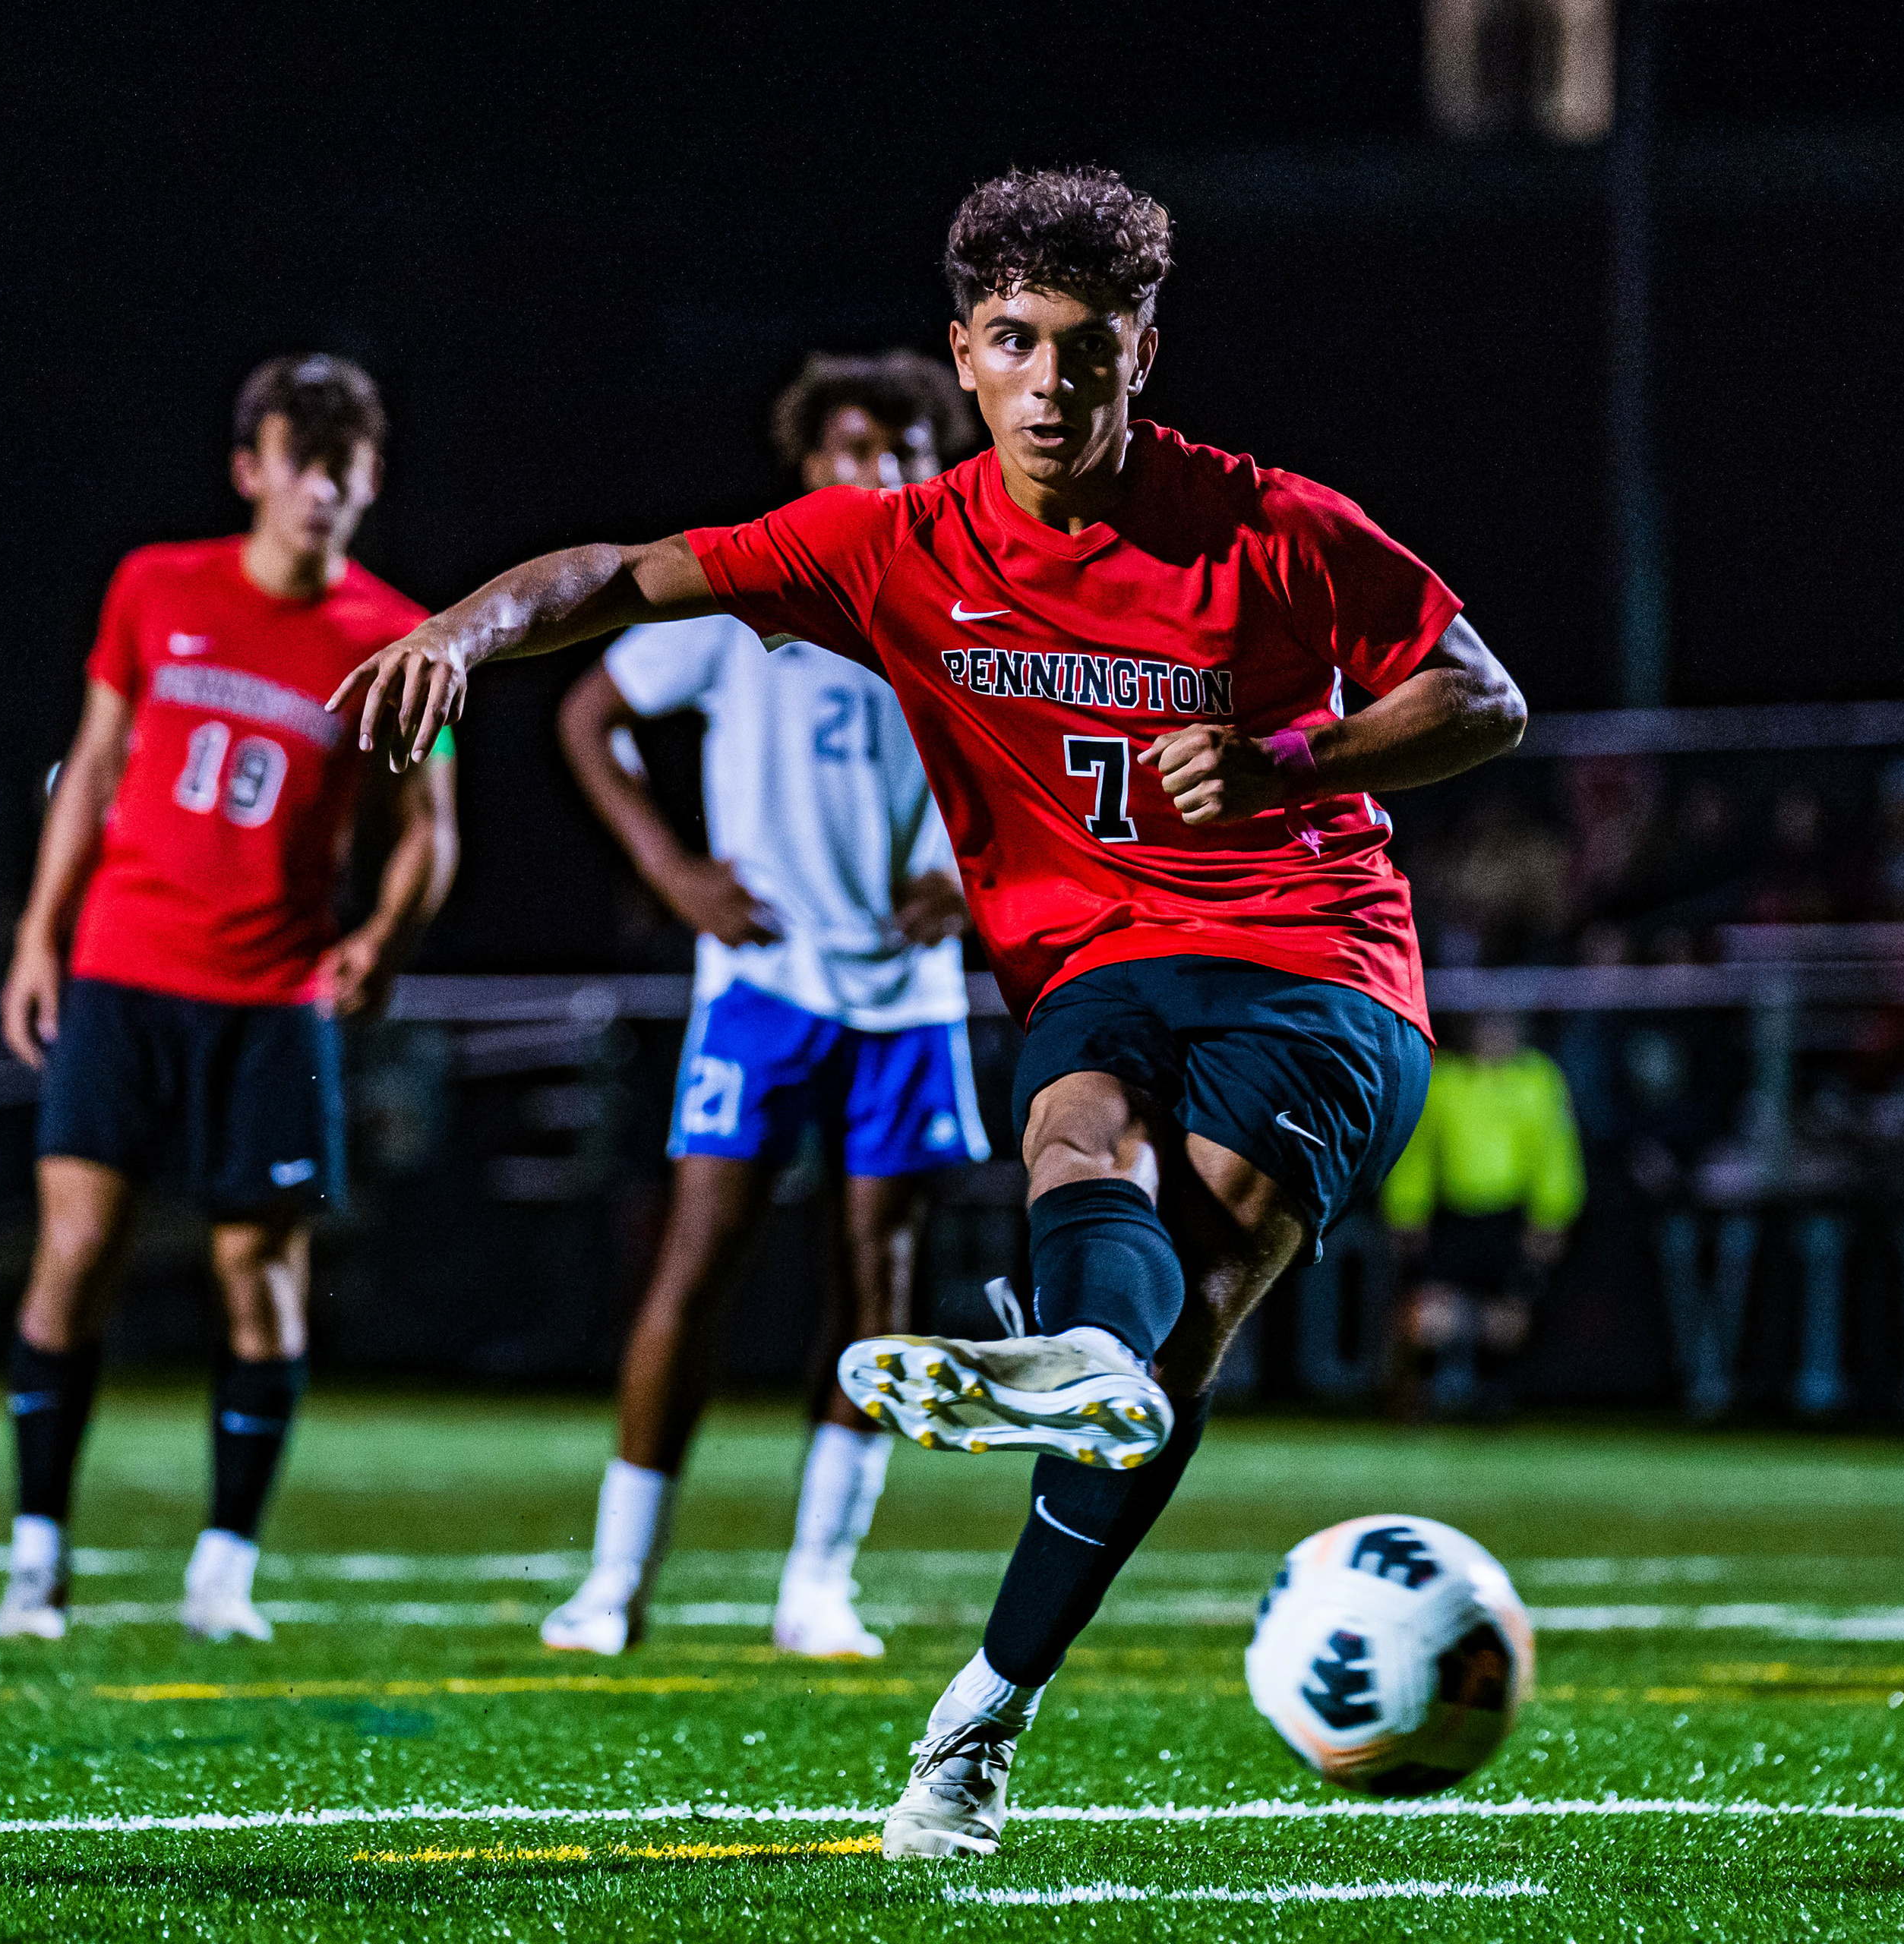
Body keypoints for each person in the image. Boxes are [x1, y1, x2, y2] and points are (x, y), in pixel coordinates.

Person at [333, 165, 1525, 1857]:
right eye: (1017, 341)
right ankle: (1068, 1387)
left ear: (1144, 352)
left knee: (1188, 1303)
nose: (1054, 380)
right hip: (1098, 959)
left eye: (1091, 346)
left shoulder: (1272, 524)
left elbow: (1484, 696)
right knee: (1076, 1145)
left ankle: (984, 1703)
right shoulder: (897, 545)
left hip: (1312, 952)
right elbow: (623, 576)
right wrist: (458, 631)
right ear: (964, 355)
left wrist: (1291, 755)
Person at [0, 355, 458, 1644]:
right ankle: (37, 1557)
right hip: (122, 971)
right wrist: (36, 937)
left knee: (259, 1275)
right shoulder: (154, 586)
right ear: (251, 470)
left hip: (272, 997)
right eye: (301, 462)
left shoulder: (396, 637)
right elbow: (93, 767)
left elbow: (430, 827)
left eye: (344, 467)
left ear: (371, 480)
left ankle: (224, 1569)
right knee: (74, 1252)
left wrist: (388, 935)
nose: (322, 489)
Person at [542, 350, 985, 1662]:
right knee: (698, 1261)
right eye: (850, 448)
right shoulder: (749, 594)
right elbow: (590, 715)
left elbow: (1046, 772)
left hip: (908, 998)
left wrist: (976, 883)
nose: (877, 471)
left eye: (902, 449)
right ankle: (617, 1582)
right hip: (763, 984)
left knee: (880, 1282)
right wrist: (674, 871)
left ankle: (818, 1585)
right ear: (807, 466)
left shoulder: (976, 608)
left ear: (938, 465)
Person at [1378, 1011, 1584, 1419]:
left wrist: (1552, 1215)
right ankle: (1417, 1398)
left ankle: (1492, 1398)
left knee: (1507, 1321)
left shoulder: (1538, 1078)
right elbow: (1416, 1152)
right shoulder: (1443, 1078)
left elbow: (1556, 1152)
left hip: (1511, 1218)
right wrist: (1406, 1210)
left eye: (1501, 1025)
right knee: (1425, 1318)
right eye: (1484, 1025)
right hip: (1450, 1217)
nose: (1492, 1034)